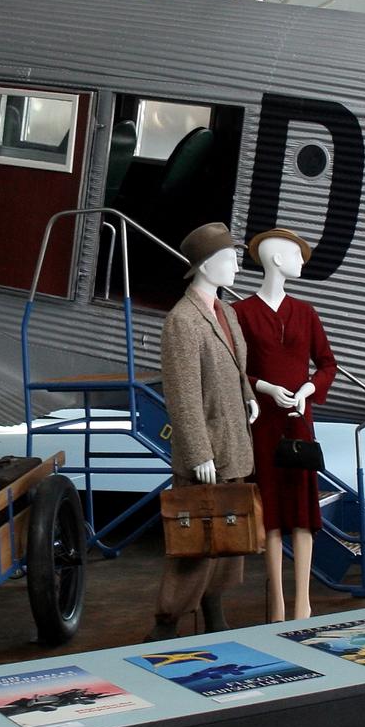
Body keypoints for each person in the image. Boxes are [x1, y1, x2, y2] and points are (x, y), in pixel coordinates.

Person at [154, 222, 260, 640]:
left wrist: (248, 393)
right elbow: (182, 394)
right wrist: (199, 453)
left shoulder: (226, 312)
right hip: (207, 450)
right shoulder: (183, 321)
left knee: (230, 539)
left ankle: (215, 611)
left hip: (234, 442)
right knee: (193, 545)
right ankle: (165, 623)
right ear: (206, 265)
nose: (236, 267)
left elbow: (237, 365)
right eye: (230, 260)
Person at [232, 227, 337, 622]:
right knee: (272, 510)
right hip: (264, 422)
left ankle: (303, 602)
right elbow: (237, 370)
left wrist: (308, 388)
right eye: (296, 254)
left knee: (302, 509)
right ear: (276, 259)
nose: (301, 262)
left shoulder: (306, 313)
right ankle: (275, 602)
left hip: (299, 420)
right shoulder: (241, 313)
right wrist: (266, 387)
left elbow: (328, 364)